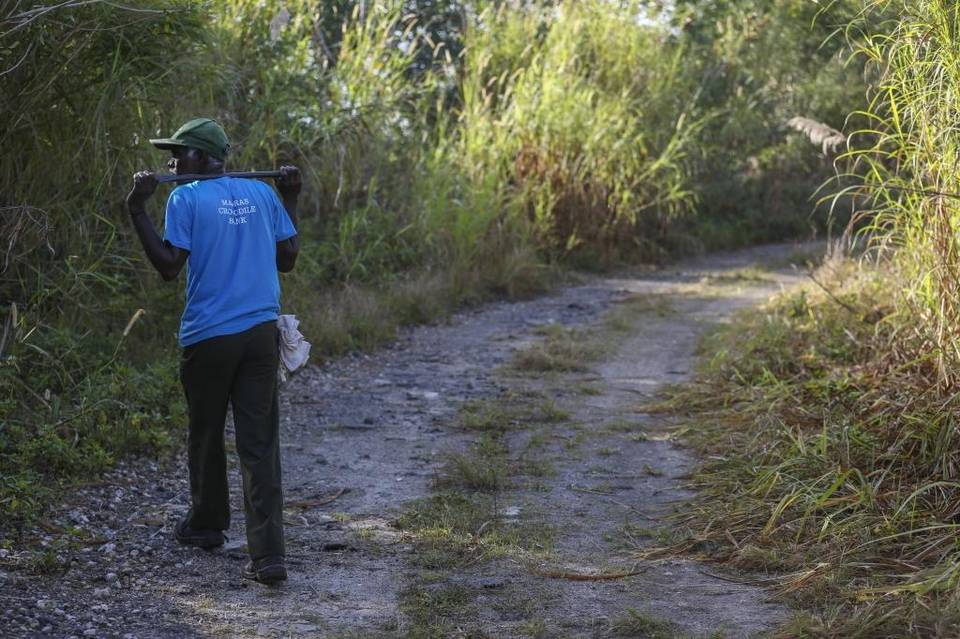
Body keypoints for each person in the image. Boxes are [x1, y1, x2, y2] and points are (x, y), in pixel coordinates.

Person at [125, 117, 301, 585]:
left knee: (205, 434)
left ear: (201, 157)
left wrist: (138, 211)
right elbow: (288, 259)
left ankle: (206, 526)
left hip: (209, 338)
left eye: (178, 153)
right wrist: (292, 197)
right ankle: (269, 557)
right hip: (261, 334)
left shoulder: (185, 197)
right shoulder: (263, 194)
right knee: (259, 444)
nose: (172, 162)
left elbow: (167, 267)